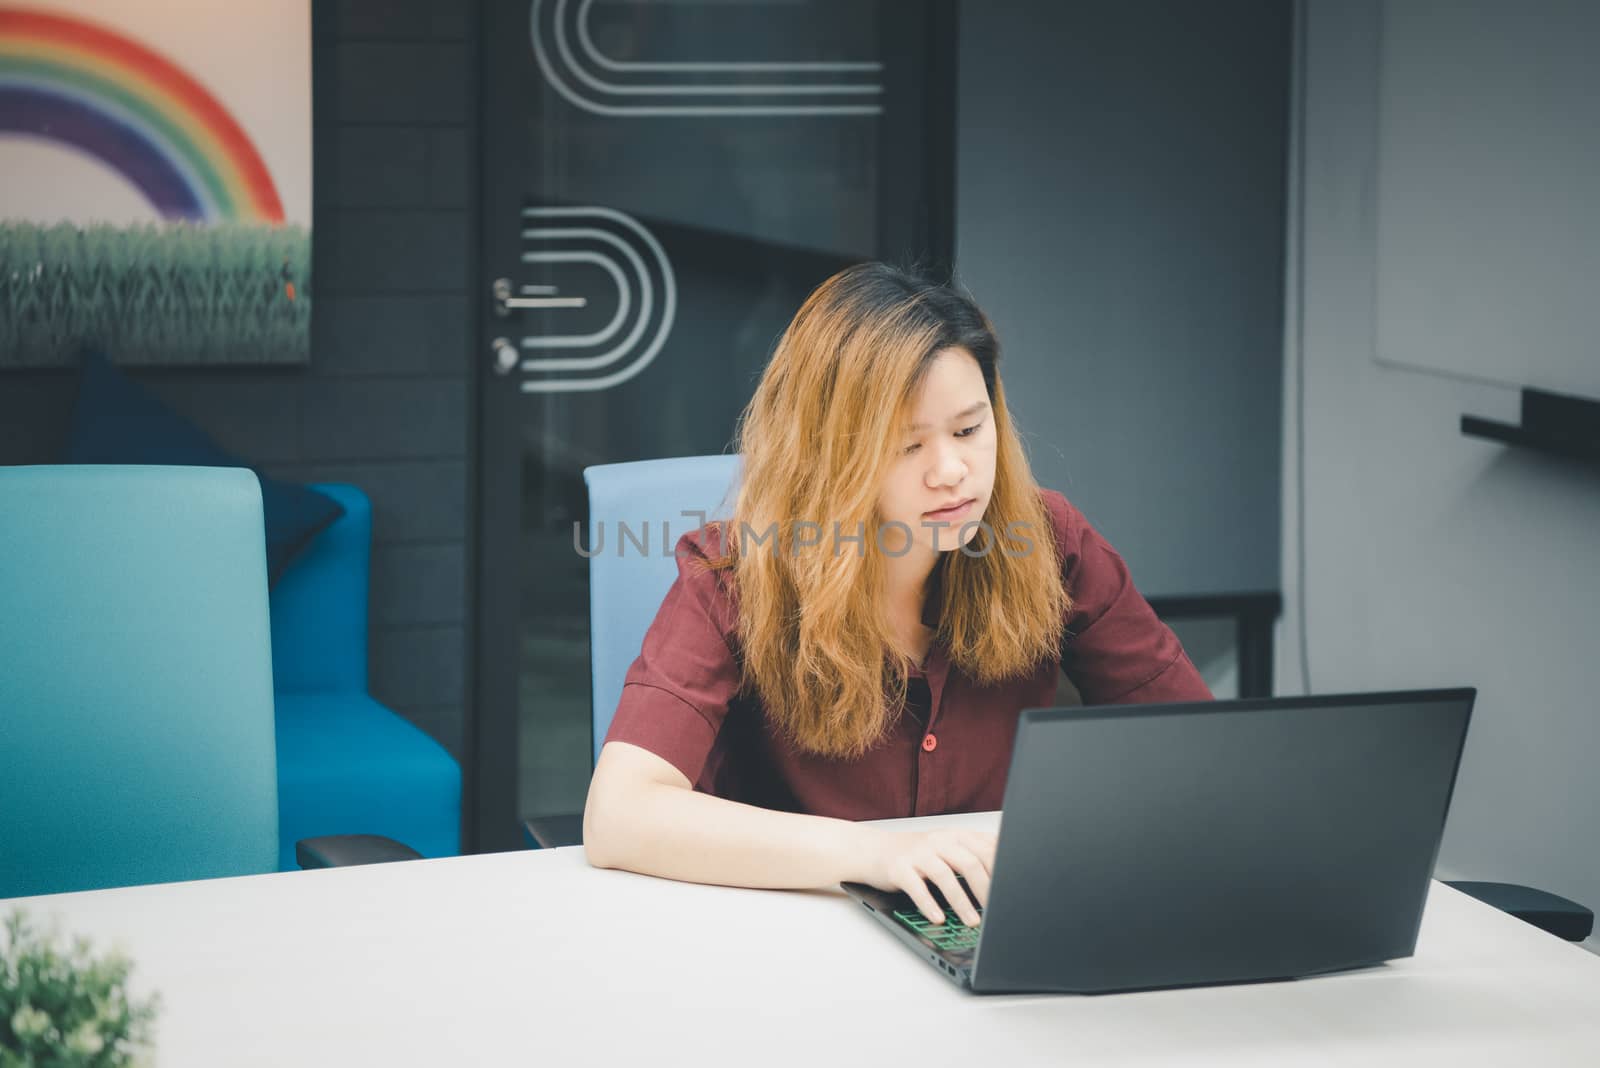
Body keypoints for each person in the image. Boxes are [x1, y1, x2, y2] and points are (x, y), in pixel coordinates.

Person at [582, 262, 1213, 928]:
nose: (951, 471)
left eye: (969, 430)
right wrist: (875, 855)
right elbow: (620, 816)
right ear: (827, 456)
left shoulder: (1051, 542)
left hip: (985, 926)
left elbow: (1199, 759)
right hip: (783, 935)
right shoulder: (735, 573)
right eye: (907, 445)